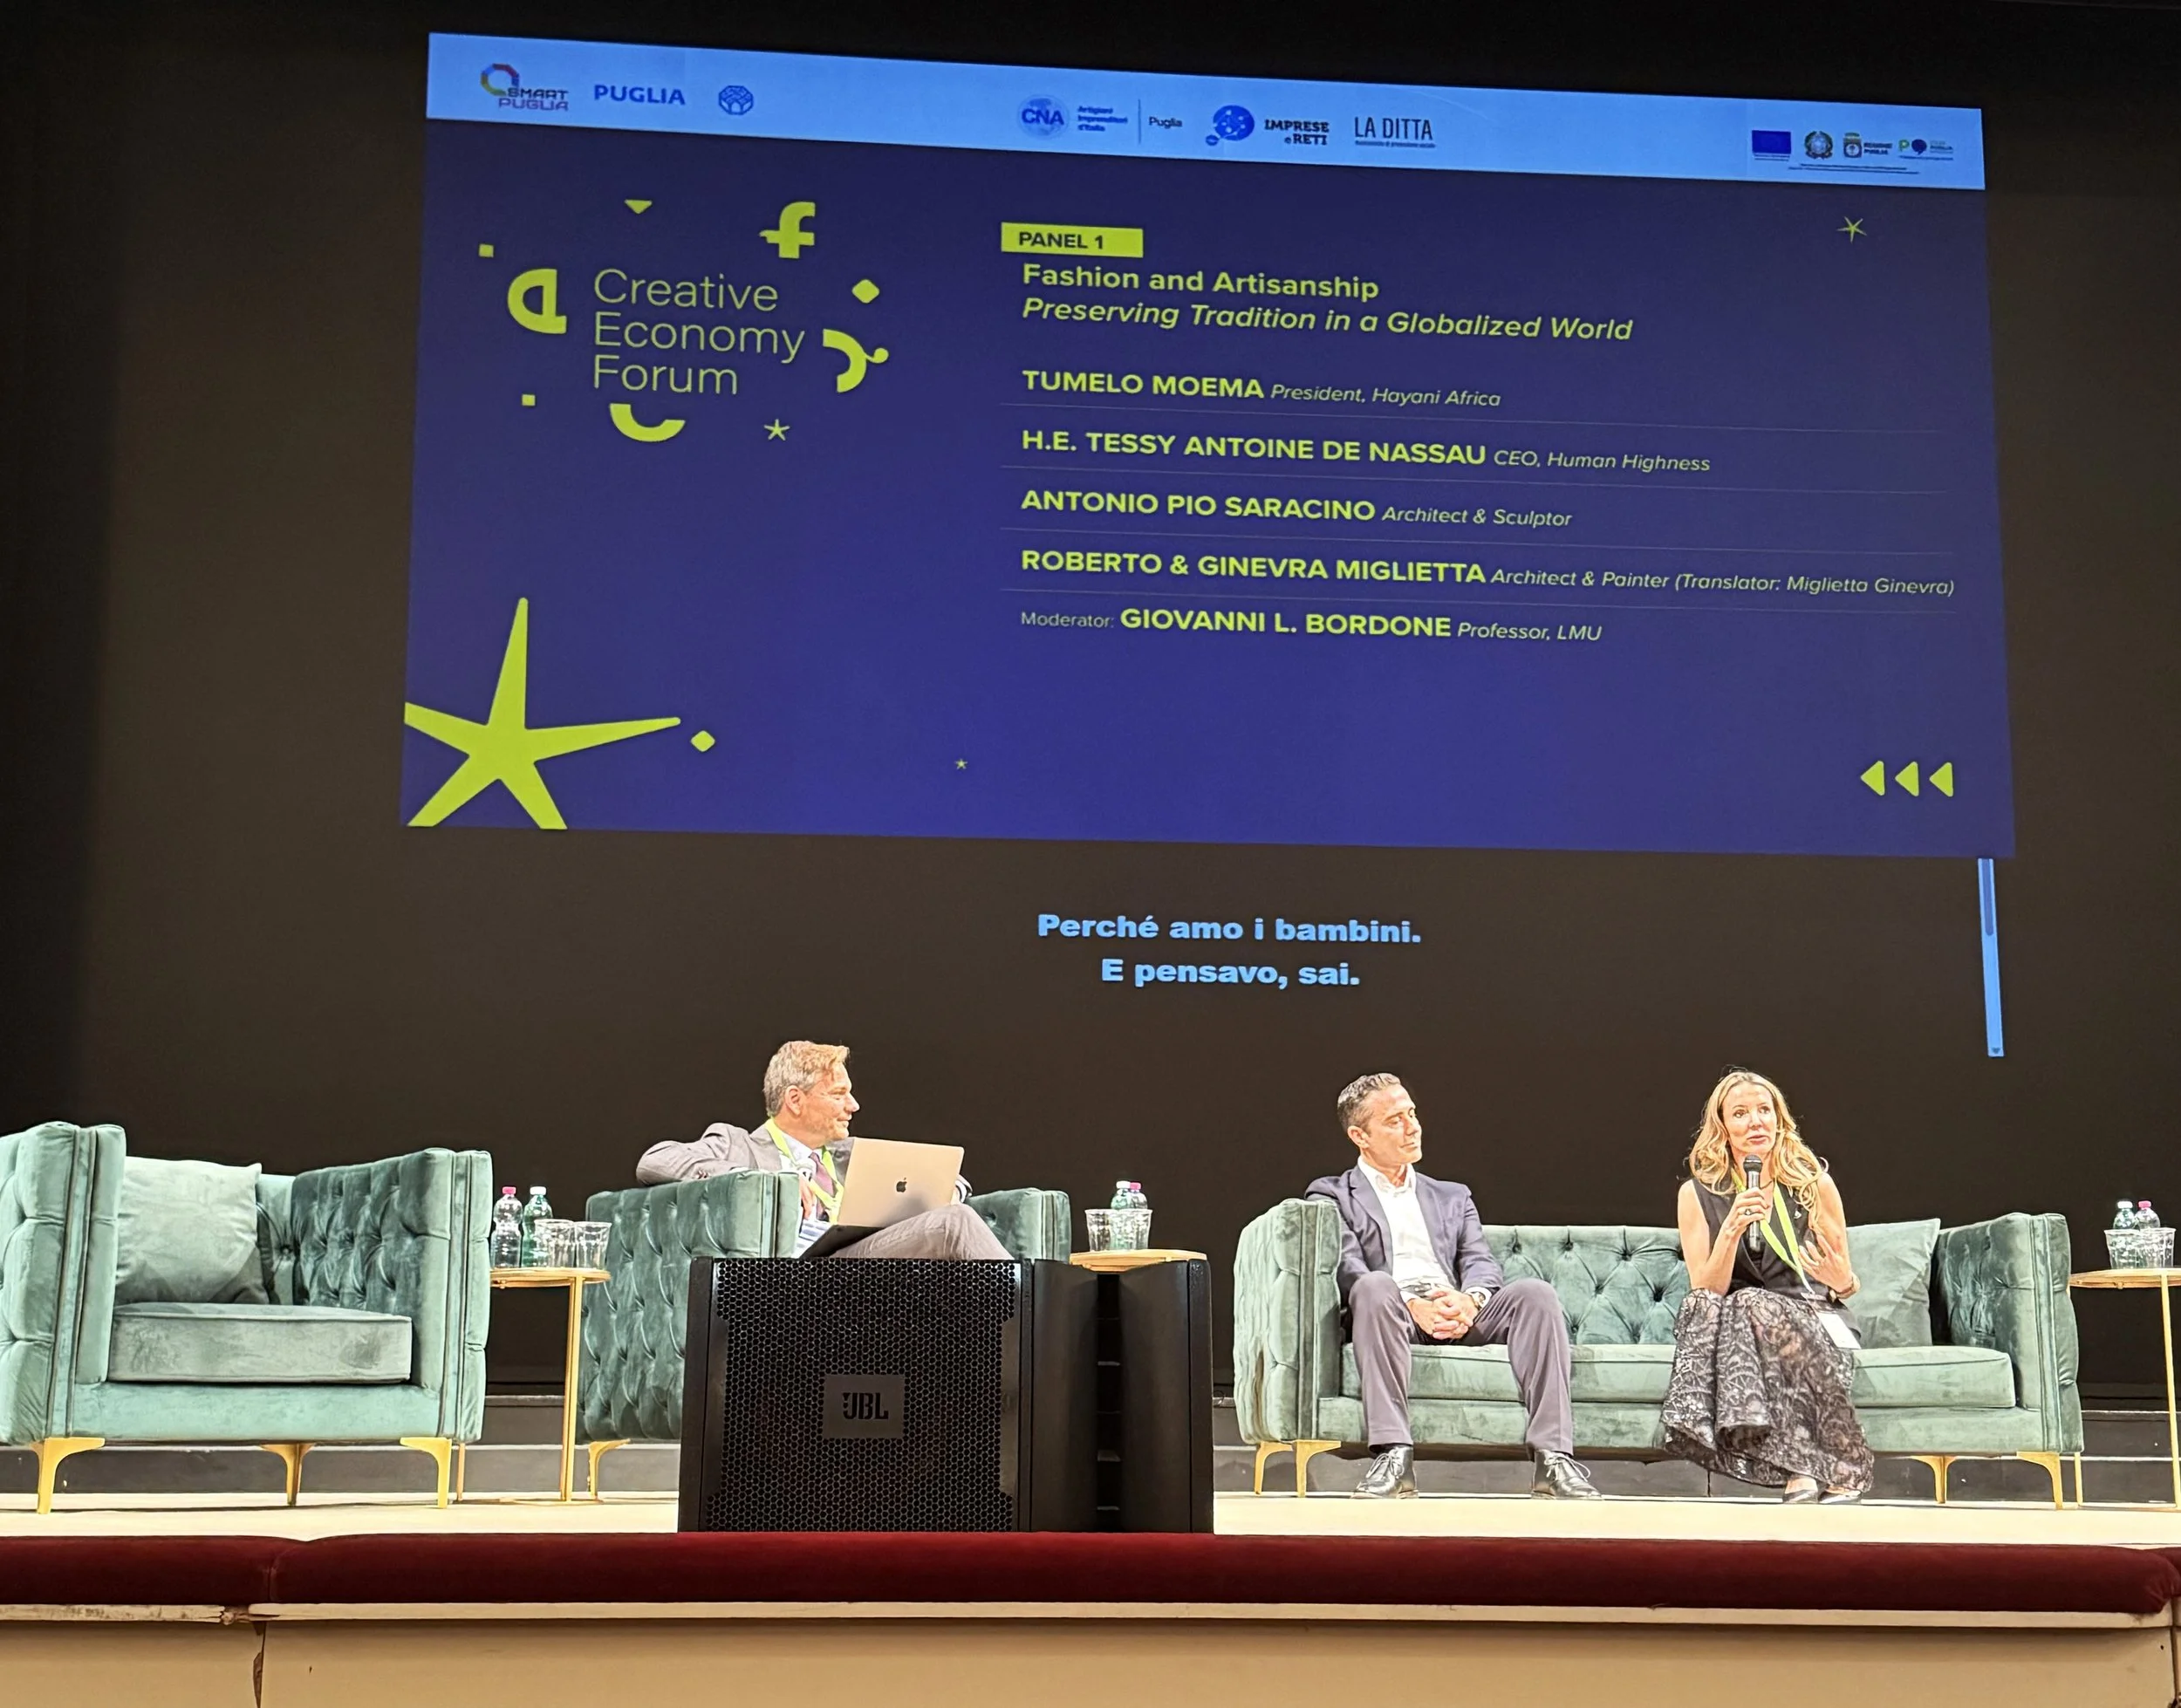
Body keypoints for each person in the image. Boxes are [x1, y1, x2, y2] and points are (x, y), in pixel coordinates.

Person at [1308, 1072, 1599, 1500]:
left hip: (1455, 1308)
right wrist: (1412, 1304)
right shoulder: (1332, 1195)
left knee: (1535, 1295)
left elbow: (1480, 1262)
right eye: (1394, 1120)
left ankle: (1553, 1459)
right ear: (1360, 1136)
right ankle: (1393, 1455)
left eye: (1412, 1114)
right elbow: (1348, 1267)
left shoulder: (1452, 1196)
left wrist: (1470, 1301)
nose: (1412, 1127)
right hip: (1391, 1313)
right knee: (1372, 1286)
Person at [1660, 1069, 1873, 1503]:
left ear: (1779, 1119)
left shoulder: (1813, 1185)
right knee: (1721, 1305)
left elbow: (1843, 1281)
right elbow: (1705, 1293)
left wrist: (1844, 1281)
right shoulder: (1696, 1195)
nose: (1755, 1121)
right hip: (1738, 1328)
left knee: (1749, 1303)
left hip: (1814, 1318)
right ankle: (1813, 1467)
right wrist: (1731, 1230)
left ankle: (1798, 1468)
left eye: (1764, 1110)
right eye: (1740, 1113)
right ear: (1723, 1127)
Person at [636, 1041, 1011, 1260]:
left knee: (951, 1217)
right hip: (801, 1275)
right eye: (838, 1094)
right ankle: (1033, 1319)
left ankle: (1014, 1345)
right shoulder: (739, 1144)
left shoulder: (852, 1154)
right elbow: (655, 1161)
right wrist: (762, 1179)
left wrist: (944, 1192)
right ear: (795, 1100)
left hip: (866, 1262)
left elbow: (953, 1177)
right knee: (955, 1223)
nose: (853, 1106)